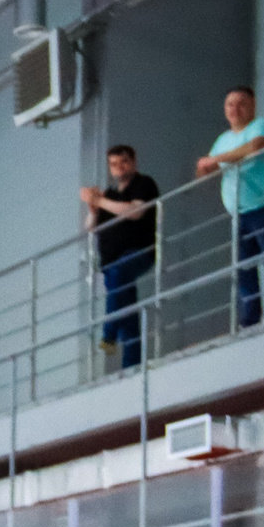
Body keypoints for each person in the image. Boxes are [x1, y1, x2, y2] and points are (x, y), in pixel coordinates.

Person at [197, 86, 264, 326]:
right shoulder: (223, 140)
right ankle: (250, 316)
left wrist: (215, 160)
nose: (235, 109)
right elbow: (205, 170)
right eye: (230, 104)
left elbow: (255, 146)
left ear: (253, 105)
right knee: (243, 268)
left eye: (241, 103)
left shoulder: (261, 125)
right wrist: (204, 167)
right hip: (239, 213)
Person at [81, 144, 159, 371]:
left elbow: (135, 211)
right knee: (127, 310)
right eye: (114, 164)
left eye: (124, 162)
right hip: (110, 260)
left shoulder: (144, 184)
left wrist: (100, 201)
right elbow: (90, 227)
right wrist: (93, 207)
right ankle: (131, 365)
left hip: (137, 252)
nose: (119, 167)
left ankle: (109, 334)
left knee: (119, 276)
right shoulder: (110, 195)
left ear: (133, 161)